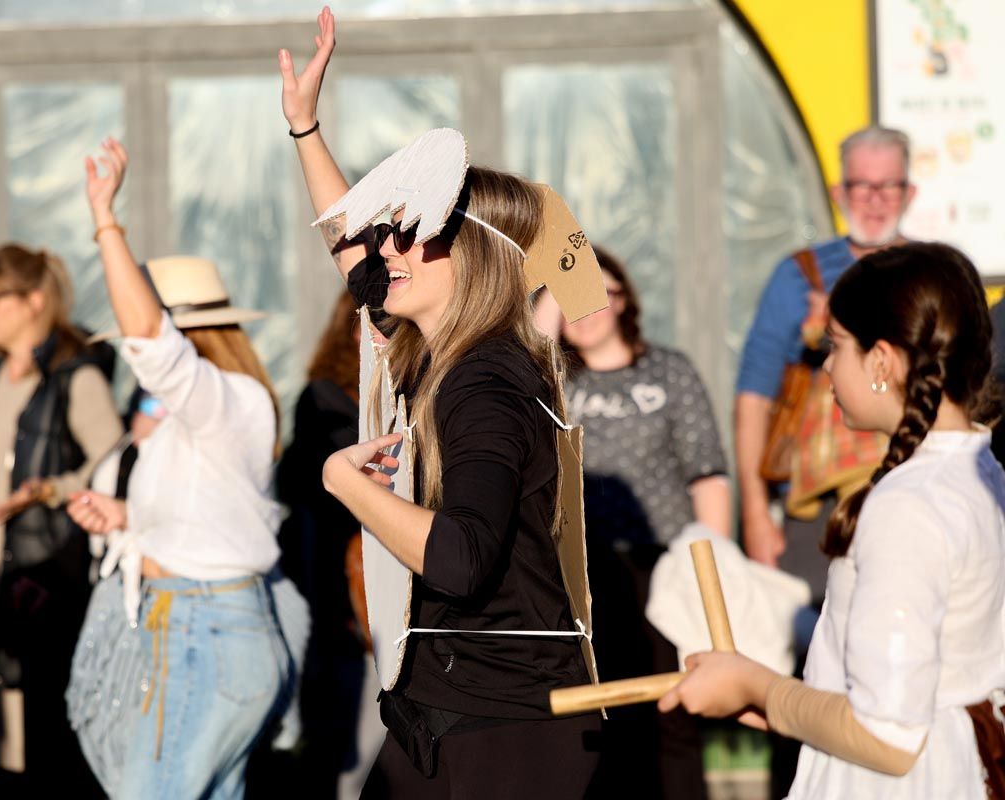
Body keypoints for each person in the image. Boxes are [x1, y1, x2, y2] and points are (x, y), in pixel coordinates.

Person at [279, 9, 601, 796]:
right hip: (447, 716)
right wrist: (305, 129)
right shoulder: (439, 355)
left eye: (412, 232)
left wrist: (344, 482)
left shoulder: (483, 381)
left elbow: (460, 559)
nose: (389, 247)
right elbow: (352, 248)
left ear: (476, 253)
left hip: (507, 737)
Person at [660, 242, 1005, 799]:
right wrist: (771, 703)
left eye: (836, 345)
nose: (825, 364)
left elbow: (886, 733)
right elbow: (926, 689)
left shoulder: (910, 504)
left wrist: (758, 684)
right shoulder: (981, 473)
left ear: (882, 361)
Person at [68, 138, 291, 799]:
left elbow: (154, 350)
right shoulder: (207, 414)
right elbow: (210, 518)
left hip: (204, 633)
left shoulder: (228, 400)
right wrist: (127, 517)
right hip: (202, 631)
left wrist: (105, 221)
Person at [734, 125, 915, 793]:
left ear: (909, 189)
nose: (873, 199)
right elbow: (754, 392)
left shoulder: (932, 272)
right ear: (838, 190)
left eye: (887, 185)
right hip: (816, 509)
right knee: (814, 659)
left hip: (904, 490)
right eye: (861, 185)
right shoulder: (799, 273)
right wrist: (756, 510)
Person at [536, 245, 728, 798]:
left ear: (625, 300)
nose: (587, 309)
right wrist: (556, 282)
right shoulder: (549, 380)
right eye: (572, 299)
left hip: (664, 567)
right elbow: (528, 344)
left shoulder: (668, 370)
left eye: (599, 293)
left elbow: (708, 473)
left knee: (674, 707)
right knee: (600, 711)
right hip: (579, 573)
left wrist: (715, 570)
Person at [0, 244, 121, 797]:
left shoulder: (75, 377)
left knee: (46, 751)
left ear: (33, 301)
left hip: (48, 582)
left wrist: (48, 490)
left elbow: (113, 462)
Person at [269, 290, 380, 799]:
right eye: (370, 323)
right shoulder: (324, 396)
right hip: (339, 594)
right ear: (349, 330)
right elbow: (315, 489)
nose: (381, 335)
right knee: (340, 745)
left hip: (387, 588)